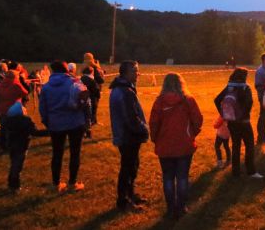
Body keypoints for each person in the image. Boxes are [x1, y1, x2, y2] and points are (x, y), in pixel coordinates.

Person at [149, 73, 203, 219]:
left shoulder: (159, 102)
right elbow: (198, 120)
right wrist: (191, 134)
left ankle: (171, 207)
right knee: (182, 177)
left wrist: (155, 138)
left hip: (165, 145)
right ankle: (181, 206)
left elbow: (153, 124)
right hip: (184, 145)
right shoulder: (188, 100)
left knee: (167, 177)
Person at [39, 60, 87, 193]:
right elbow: (85, 100)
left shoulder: (46, 87)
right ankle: (72, 183)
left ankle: (56, 183)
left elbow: (42, 107)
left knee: (57, 154)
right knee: (75, 153)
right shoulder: (75, 83)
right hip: (75, 122)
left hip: (55, 124)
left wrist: (47, 121)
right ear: (66, 70)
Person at [110, 60, 149, 211]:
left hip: (125, 135)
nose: (137, 74)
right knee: (127, 168)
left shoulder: (122, 89)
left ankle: (130, 194)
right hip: (128, 136)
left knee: (132, 166)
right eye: (135, 71)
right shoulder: (125, 92)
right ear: (126, 73)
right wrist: (143, 129)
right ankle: (124, 200)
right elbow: (131, 119)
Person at [214, 68, 263, 179]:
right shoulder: (246, 88)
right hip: (244, 122)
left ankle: (235, 172)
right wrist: (242, 116)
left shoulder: (229, 87)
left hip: (232, 122)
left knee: (236, 146)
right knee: (249, 146)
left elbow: (217, 100)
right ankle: (251, 171)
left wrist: (224, 114)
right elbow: (249, 103)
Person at [2, 101, 49, 191]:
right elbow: (34, 132)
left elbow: (3, 134)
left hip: (11, 145)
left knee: (14, 163)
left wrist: (3, 144)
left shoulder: (7, 121)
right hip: (22, 145)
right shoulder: (25, 121)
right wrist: (48, 132)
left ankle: (12, 183)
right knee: (17, 165)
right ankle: (14, 185)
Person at [0, 70, 28, 149]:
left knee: (3, 127)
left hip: (3, 108)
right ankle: (13, 144)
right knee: (14, 128)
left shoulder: (0, 85)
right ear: (15, 76)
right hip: (14, 108)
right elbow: (25, 92)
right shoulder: (16, 84)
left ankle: (2, 144)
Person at [82, 53, 105, 125]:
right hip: (94, 88)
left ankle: (89, 120)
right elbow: (100, 79)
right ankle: (93, 121)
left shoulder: (84, 67)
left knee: (87, 106)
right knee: (94, 105)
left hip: (85, 89)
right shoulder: (94, 68)